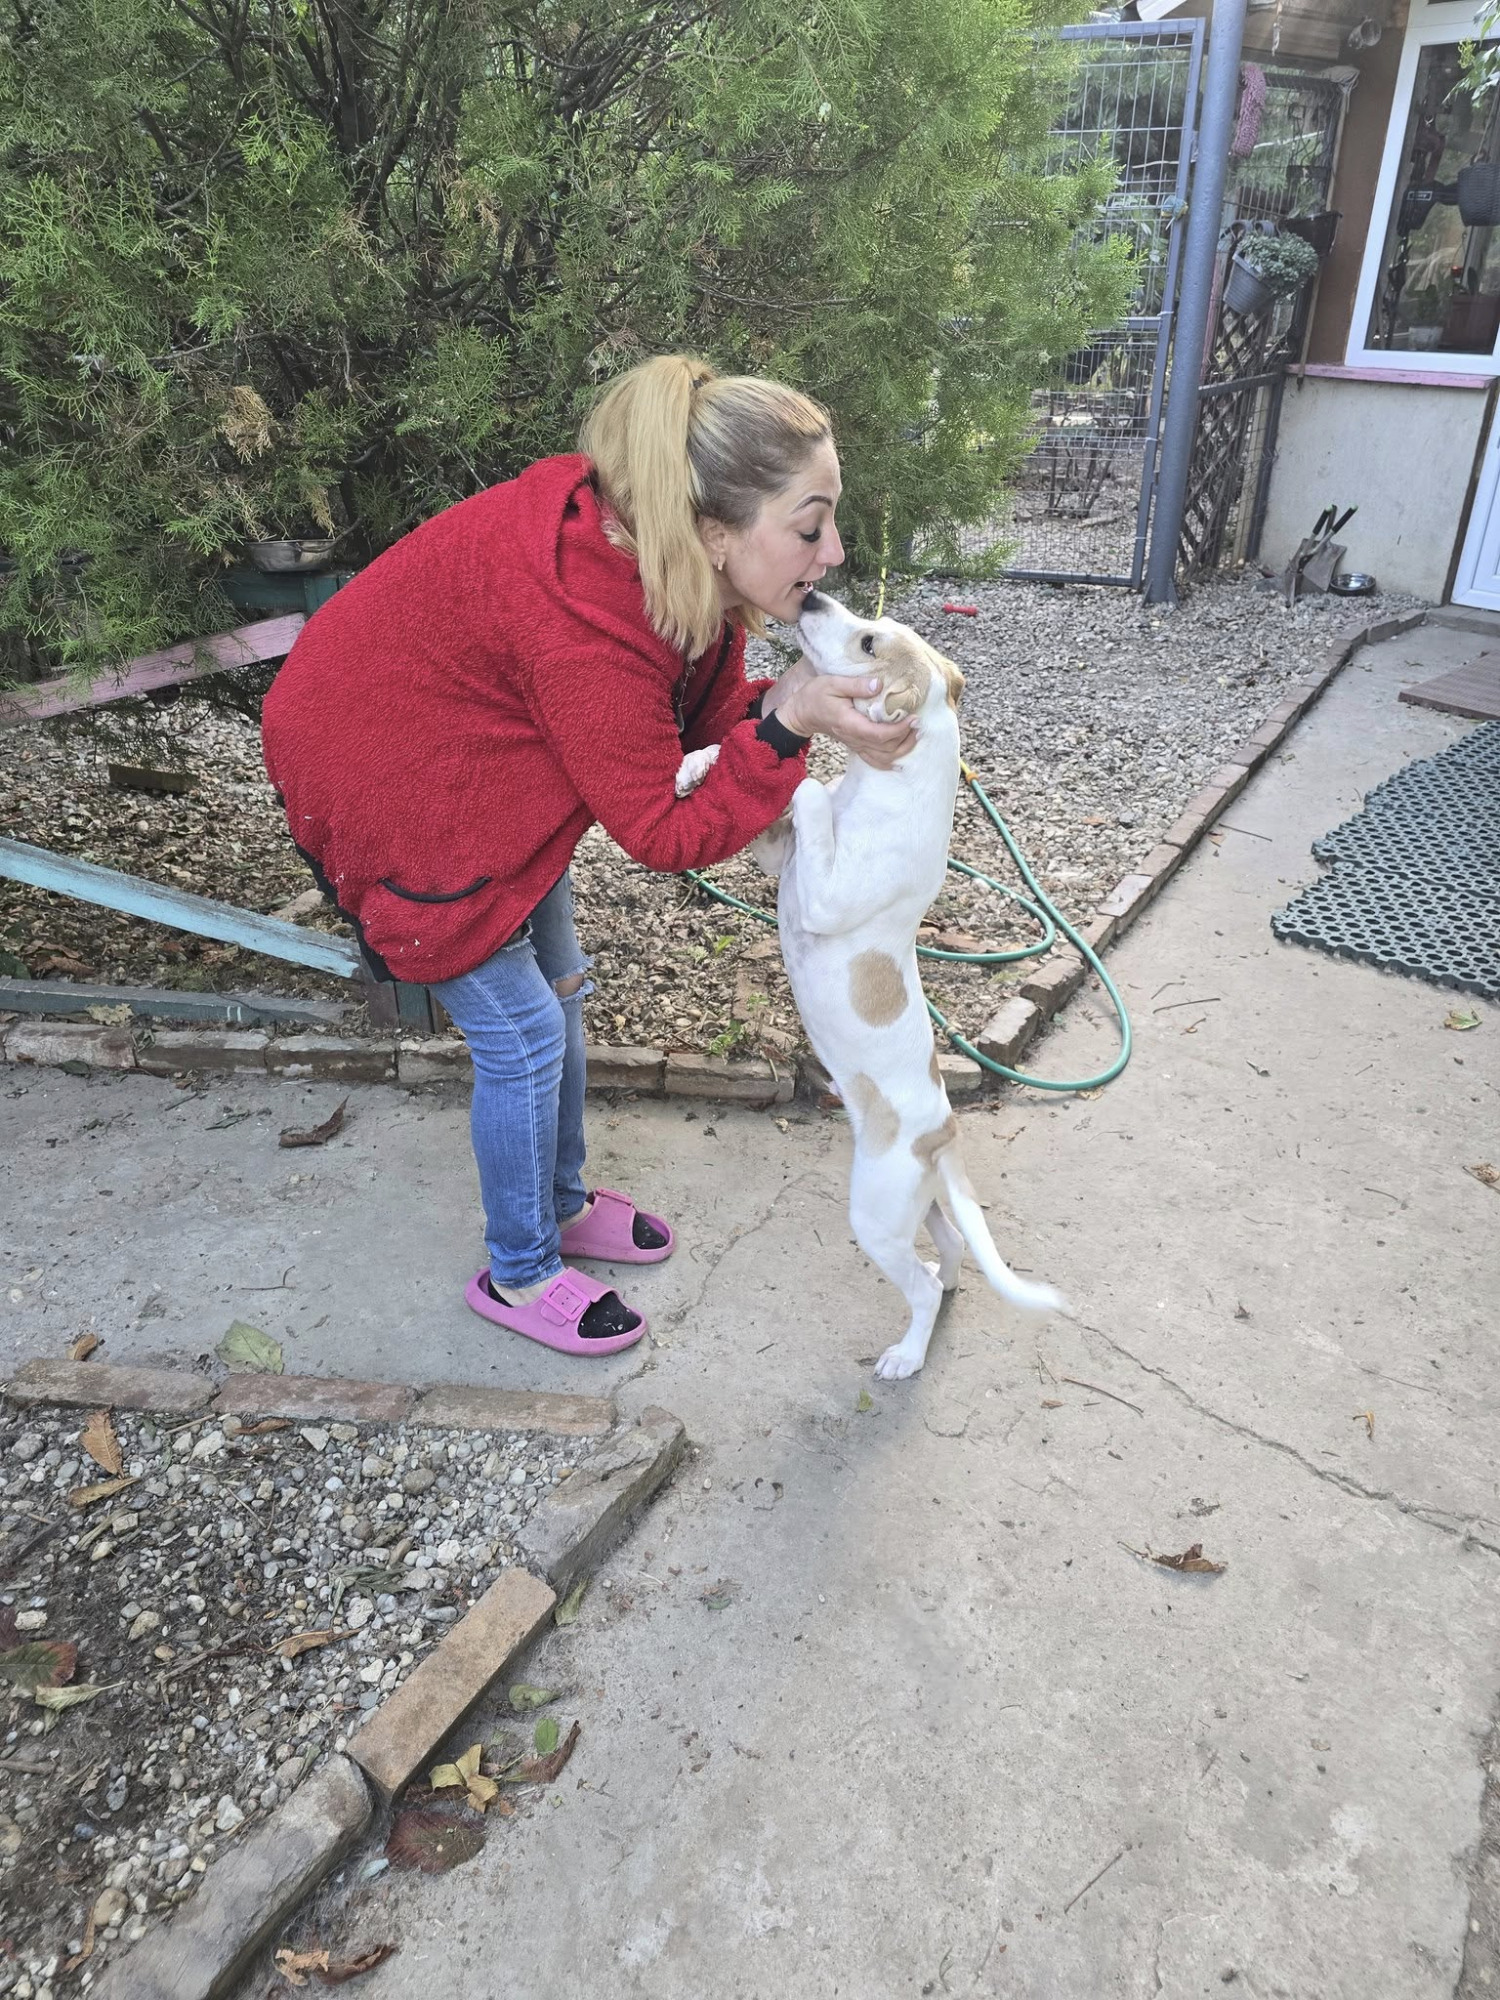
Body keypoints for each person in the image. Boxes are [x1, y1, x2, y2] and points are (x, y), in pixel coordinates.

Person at [261, 353, 914, 1357]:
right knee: (522, 1035)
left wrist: (786, 710)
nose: (830, 553)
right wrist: (786, 728)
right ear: (716, 530)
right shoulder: (589, 623)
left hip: (474, 759)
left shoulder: (666, 559)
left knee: (560, 982)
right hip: (392, 784)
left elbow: (694, 716)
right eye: (809, 525)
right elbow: (663, 831)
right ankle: (519, 1273)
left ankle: (560, 1203)